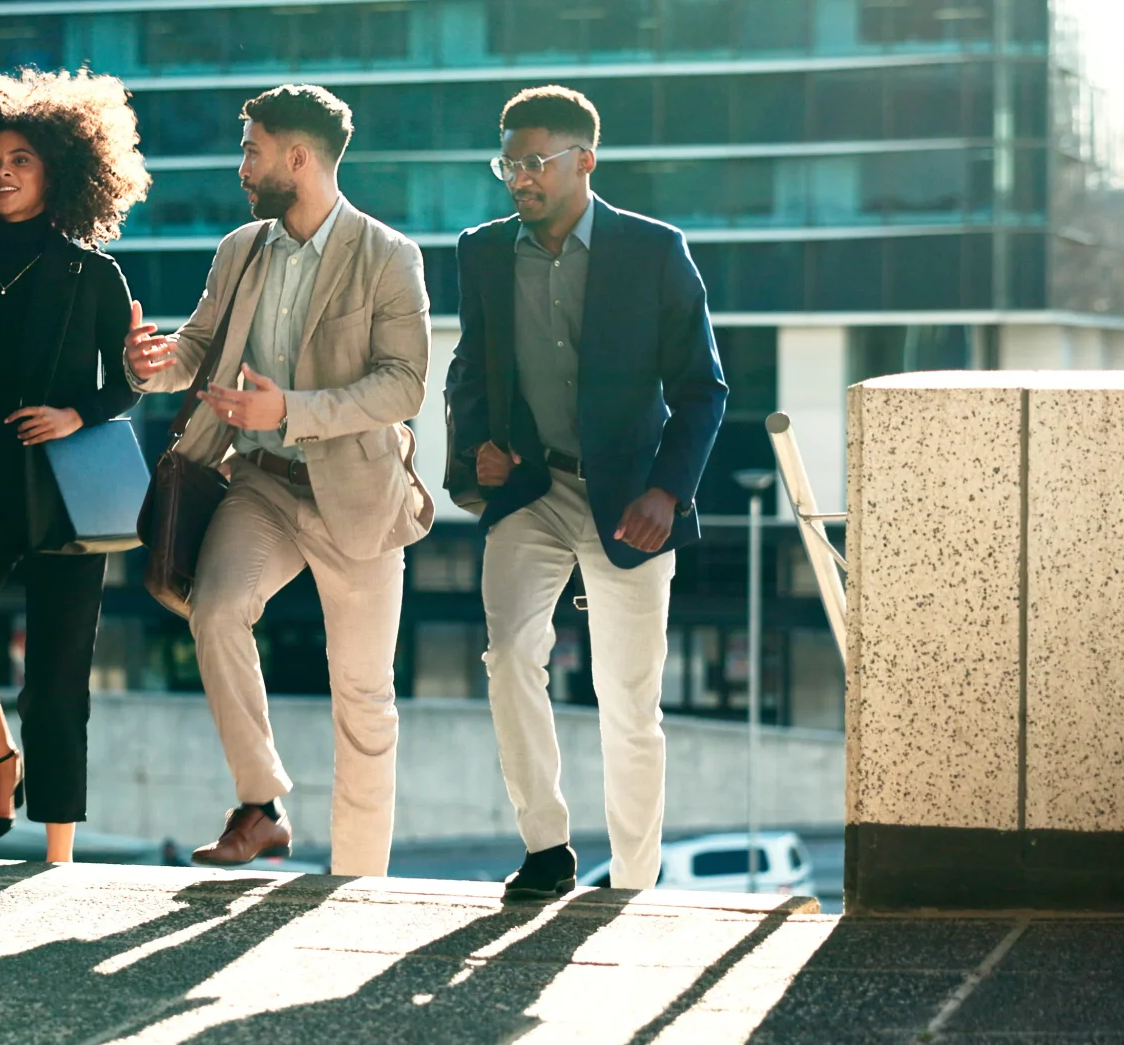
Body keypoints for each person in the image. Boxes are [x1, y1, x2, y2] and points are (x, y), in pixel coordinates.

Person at [125, 84, 432, 878]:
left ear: (299, 158)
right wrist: (152, 367)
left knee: (363, 703)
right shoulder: (241, 249)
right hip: (260, 485)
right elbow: (199, 348)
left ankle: (359, 883)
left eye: (252, 149)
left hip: (359, 500)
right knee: (218, 608)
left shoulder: (389, 256)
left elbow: (403, 386)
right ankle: (260, 805)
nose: (242, 165)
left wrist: (289, 410)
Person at [445, 85, 727, 899]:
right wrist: (476, 459)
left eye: (535, 162)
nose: (519, 179)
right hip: (531, 492)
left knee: (629, 702)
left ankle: (635, 881)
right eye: (509, 163)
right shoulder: (484, 250)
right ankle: (547, 848)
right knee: (508, 659)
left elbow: (704, 389)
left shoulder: (655, 251)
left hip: (633, 502)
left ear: (584, 160)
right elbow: (472, 368)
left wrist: (667, 492)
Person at [0, 61, 151, 864]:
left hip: (68, 495)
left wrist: (79, 411)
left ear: (60, 171)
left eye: (21, 161)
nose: (3, 174)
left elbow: (127, 388)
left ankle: (59, 855)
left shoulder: (93, 273)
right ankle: (1, 761)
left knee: (57, 680)